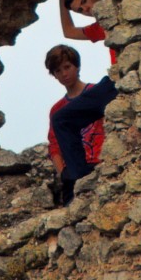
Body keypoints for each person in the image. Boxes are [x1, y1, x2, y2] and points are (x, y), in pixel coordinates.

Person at [45, 44, 117, 206]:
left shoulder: (96, 94)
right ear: (54, 75)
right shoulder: (57, 109)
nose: (64, 74)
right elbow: (54, 146)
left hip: (100, 161)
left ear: (77, 66)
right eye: (58, 71)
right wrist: (63, 172)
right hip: (75, 170)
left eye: (67, 67)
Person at [54, 0, 117, 65]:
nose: (85, 9)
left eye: (84, 1)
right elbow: (68, 32)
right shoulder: (101, 27)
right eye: (80, 10)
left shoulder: (118, 4)